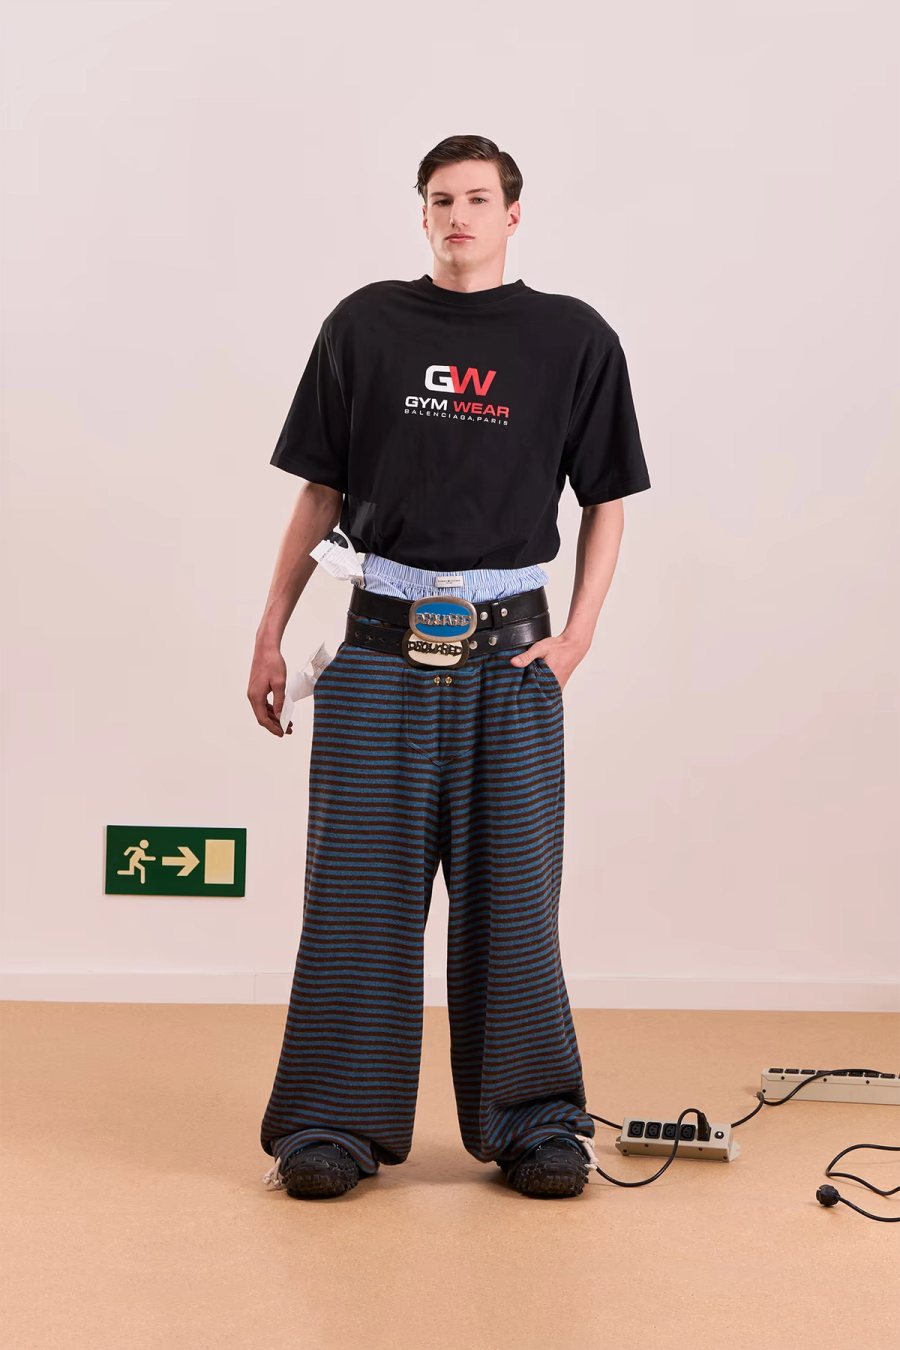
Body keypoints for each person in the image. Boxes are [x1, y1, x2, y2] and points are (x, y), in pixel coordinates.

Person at [248, 134, 651, 1200]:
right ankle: (331, 1124)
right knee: (357, 895)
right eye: (440, 200)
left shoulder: (573, 338)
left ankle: (535, 1123)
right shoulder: (363, 325)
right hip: (378, 649)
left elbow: (607, 501)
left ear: (514, 213)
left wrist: (580, 636)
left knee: (511, 897)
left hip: (513, 660)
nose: (458, 216)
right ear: (421, 214)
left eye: (477, 198)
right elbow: (320, 495)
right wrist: (270, 630)